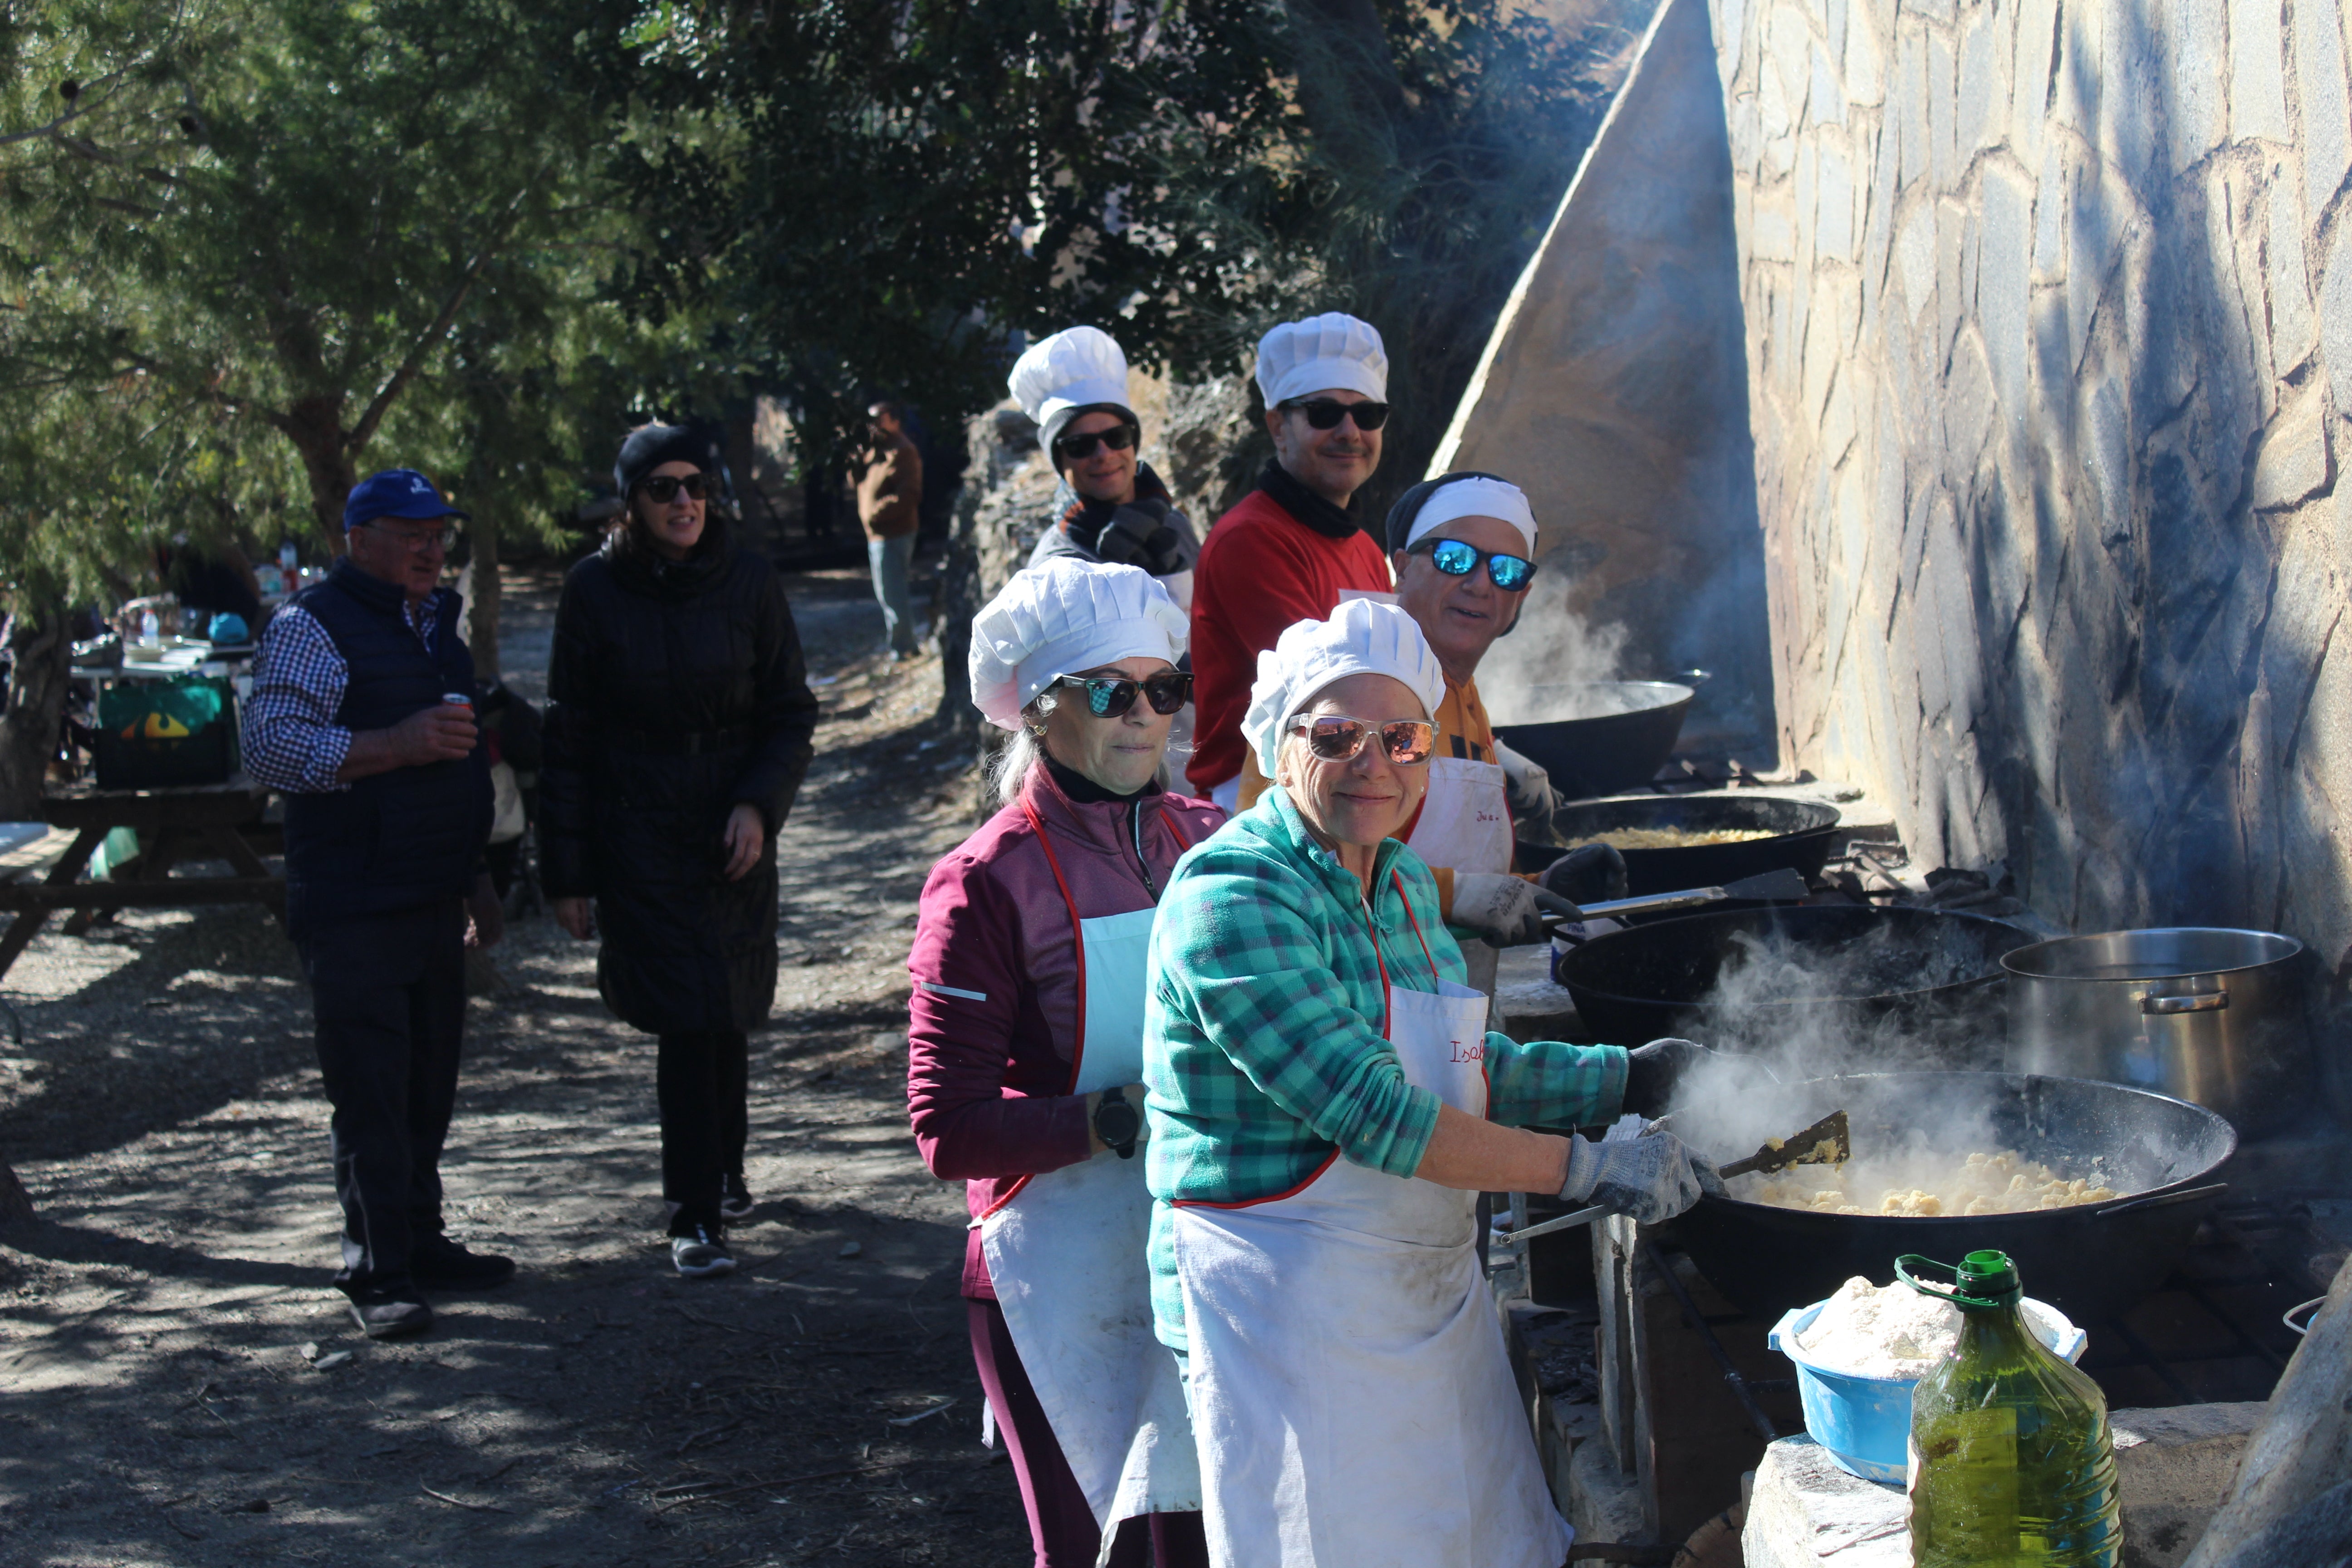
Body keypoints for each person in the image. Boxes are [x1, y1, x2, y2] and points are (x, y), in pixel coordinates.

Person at [1142, 597, 1722, 1568]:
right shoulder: (1232, 897)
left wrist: (1622, 1077)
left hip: (1417, 1284)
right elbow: (1378, 1113)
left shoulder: (1401, 881)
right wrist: (1585, 1168)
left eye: (1403, 738)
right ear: (1279, 743)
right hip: (1284, 1313)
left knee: (1469, 1537)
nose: (1375, 762)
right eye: (1338, 734)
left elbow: (1454, 1067)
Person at [908, 559, 1219, 1568]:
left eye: (1164, 688)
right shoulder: (984, 885)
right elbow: (946, 1130)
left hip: (1212, 1244)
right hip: (1062, 1266)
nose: (1144, 715)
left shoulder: (1217, 843)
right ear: (1040, 713)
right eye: (1109, 692)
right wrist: (1119, 1117)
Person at [541, 424, 820, 1279]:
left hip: (731, 827)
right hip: (640, 831)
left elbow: (789, 711)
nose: (682, 501)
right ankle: (692, 1213)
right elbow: (568, 738)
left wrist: (756, 807)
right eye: (661, 488)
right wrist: (568, 871)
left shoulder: (748, 580)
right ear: (630, 504)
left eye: (693, 483)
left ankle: (726, 1166)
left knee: (727, 1004)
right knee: (683, 1021)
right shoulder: (592, 592)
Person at [241, 467, 505, 1340]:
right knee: (371, 1097)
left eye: (438, 532)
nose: (431, 547)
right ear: (360, 541)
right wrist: (393, 743)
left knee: (428, 1089)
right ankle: (376, 1270)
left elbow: (459, 764)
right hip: (353, 902)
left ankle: (420, 1243)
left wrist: (473, 878)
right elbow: (272, 749)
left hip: (430, 895)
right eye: (409, 532)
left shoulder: (437, 626)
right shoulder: (310, 625)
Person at [1185, 312, 1394, 814]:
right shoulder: (1251, 538)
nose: (1350, 431)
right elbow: (1328, 691)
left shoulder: (1364, 547)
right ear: (1278, 425)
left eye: (1367, 415)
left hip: (1345, 783)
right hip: (1259, 805)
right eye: (1324, 414)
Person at [1013, 326, 1202, 609]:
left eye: (1117, 437)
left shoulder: (1174, 525)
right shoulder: (1058, 570)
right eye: (1080, 445)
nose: (1103, 454)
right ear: (1059, 459)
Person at [854, 400, 925, 659]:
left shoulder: (903, 451)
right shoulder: (875, 451)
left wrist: (874, 515)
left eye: (879, 419)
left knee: (893, 592)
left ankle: (904, 649)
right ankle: (903, 645)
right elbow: (857, 481)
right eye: (871, 420)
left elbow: (909, 495)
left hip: (894, 532)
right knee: (886, 592)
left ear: (895, 421)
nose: (874, 426)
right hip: (878, 534)